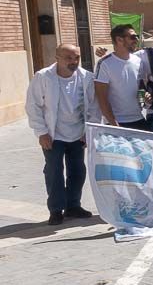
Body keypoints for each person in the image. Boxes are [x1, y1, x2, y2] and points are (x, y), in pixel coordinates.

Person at [26, 44, 98, 225]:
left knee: (78, 170)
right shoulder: (43, 77)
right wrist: (41, 132)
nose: (73, 62)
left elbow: (94, 106)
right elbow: (33, 106)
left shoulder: (86, 77)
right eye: (68, 58)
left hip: (77, 134)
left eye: (76, 58)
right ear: (57, 57)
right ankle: (56, 210)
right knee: (53, 171)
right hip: (52, 135)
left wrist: (88, 130)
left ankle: (73, 205)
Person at [94, 24, 146, 129]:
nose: (136, 40)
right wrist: (114, 124)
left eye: (136, 36)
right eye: (132, 37)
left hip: (138, 119)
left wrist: (145, 98)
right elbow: (101, 98)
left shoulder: (138, 61)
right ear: (119, 39)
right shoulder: (105, 64)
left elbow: (140, 89)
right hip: (116, 122)